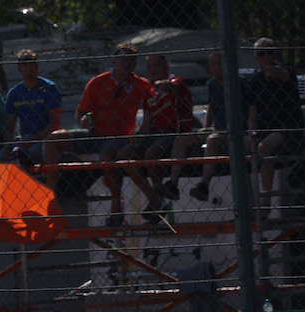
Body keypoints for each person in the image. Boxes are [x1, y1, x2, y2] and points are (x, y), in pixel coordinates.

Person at [43, 43, 154, 225]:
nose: (127, 63)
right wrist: (83, 120)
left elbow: (153, 105)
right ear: (114, 61)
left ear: (135, 65)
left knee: (108, 153)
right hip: (94, 134)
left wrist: (142, 132)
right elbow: (80, 111)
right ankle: (51, 195)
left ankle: (116, 207)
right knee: (53, 139)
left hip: (119, 136)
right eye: (123, 59)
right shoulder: (98, 82)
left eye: (131, 60)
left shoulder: (141, 85)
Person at [124, 53, 193, 205]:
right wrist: (137, 137)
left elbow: (172, 87)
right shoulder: (148, 91)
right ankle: (153, 196)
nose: (153, 70)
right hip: (154, 134)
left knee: (151, 153)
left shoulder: (177, 81)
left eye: (157, 66)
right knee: (125, 153)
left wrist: (162, 85)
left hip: (173, 133)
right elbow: (147, 122)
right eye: (150, 67)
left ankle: (159, 192)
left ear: (166, 67)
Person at [243, 37, 305, 196]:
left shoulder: (287, 70)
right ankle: (249, 203)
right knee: (239, 149)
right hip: (264, 129)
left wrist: (275, 71)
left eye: (269, 53)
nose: (266, 57)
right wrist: (252, 131)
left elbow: (284, 75)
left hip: (288, 129)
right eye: (261, 54)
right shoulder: (255, 80)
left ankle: (265, 200)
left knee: (264, 147)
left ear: (275, 54)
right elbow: (252, 112)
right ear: (256, 57)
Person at [2, 48, 61, 168]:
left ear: (37, 66)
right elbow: (9, 126)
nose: (29, 68)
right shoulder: (14, 93)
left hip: (45, 139)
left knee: (23, 156)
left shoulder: (49, 88)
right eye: (24, 65)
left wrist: (31, 141)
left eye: (32, 64)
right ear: (19, 68)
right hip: (23, 139)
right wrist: (8, 146)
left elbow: (55, 124)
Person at [187, 51, 232, 202]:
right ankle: (172, 184)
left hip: (232, 129)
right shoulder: (211, 84)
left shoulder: (237, 83)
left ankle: (204, 185)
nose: (217, 67)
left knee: (212, 140)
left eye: (219, 64)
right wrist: (206, 126)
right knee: (182, 139)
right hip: (216, 128)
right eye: (213, 65)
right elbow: (211, 106)